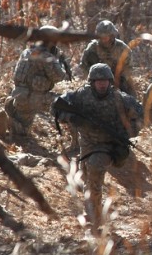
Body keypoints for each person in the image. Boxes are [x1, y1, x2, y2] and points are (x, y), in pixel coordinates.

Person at [52, 63, 144, 234]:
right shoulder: (80, 95)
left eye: (105, 81)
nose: (102, 84)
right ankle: (95, 212)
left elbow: (141, 114)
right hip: (87, 144)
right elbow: (56, 107)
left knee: (95, 169)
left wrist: (128, 131)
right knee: (88, 179)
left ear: (110, 82)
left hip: (109, 146)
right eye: (98, 81)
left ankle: (94, 218)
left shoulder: (120, 98)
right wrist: (72, 118)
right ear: (92, 82)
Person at [0, 25, 66, 139]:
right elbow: (59, 77)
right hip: (34, 99)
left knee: (23, 120)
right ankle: (11, 123)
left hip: (18, 94)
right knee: (66, 104)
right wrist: (59, 61)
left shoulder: (26, 52)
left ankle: (11, 112)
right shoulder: (46, 56)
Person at [80, 19, 136, 96]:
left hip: (118, 81)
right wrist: (91, 78)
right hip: (97, 81)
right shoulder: (93, 47)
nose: (104, 38)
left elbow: (129, 66)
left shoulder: (121, 47)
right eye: (101, 36)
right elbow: (84, 65)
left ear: (112, 35)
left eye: (106, 36)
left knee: (130, 95)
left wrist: (121, 78)